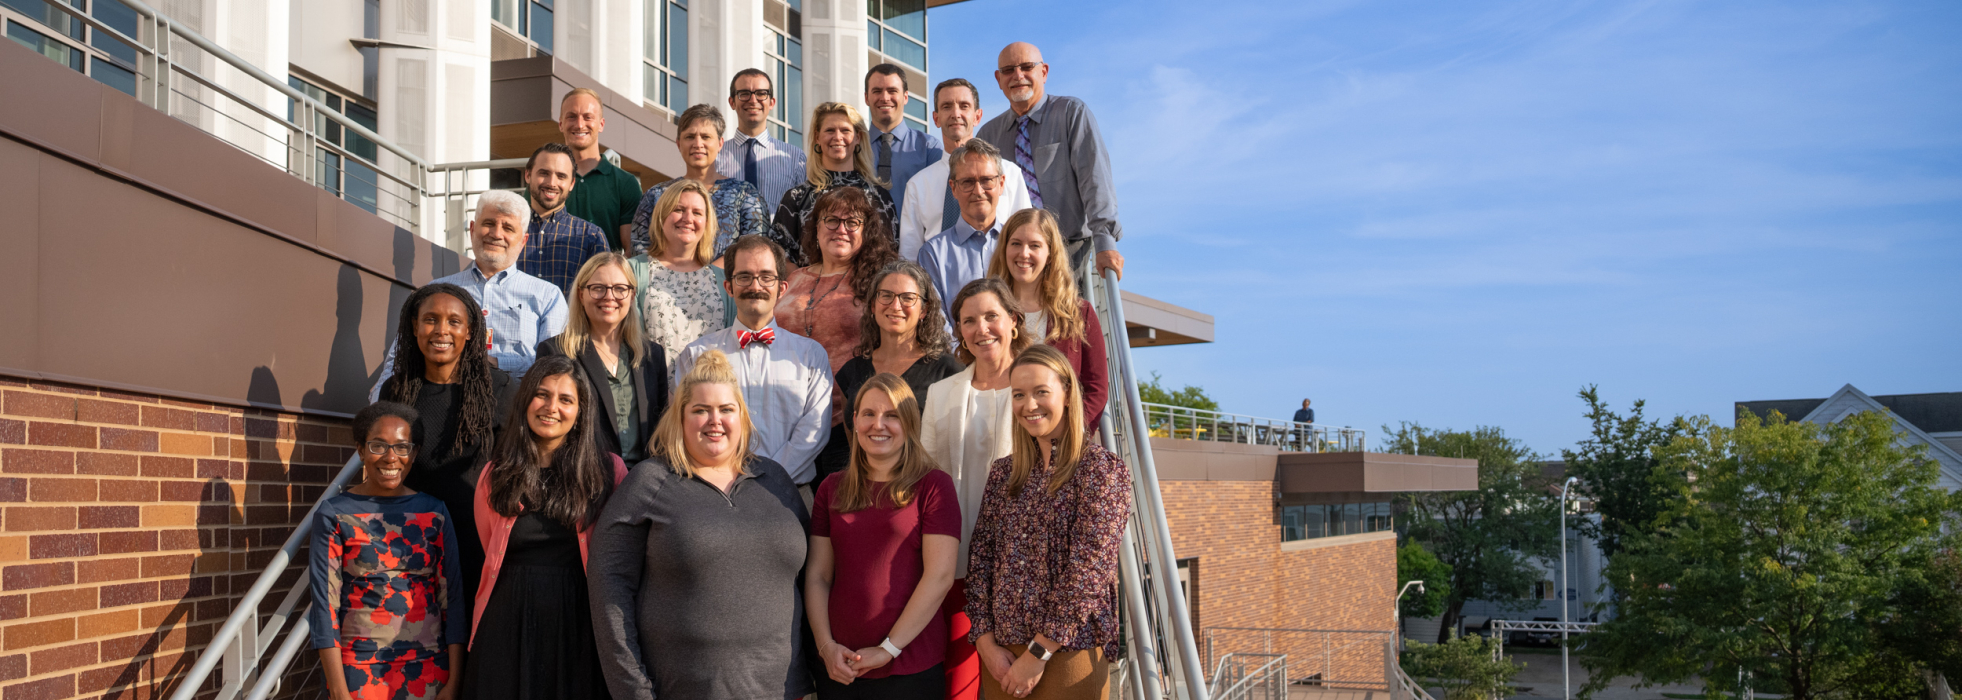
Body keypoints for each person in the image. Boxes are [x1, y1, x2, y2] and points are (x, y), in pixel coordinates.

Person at [589, 349, 814, 700]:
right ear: (680, 418)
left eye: (726, 409)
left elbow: (812, 580)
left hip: (783, 691)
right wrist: (633, 690)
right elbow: (609, 589)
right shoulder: (649, 482)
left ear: (742, 417)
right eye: (700, 410)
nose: (715, 420)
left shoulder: (776, 481)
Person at [966, 344, 1132, 700]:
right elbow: (980, 560)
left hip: (1068, 655)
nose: (1029, 405)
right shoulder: (1003, 474)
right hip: (1001, 659)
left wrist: (1037, 654)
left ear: (1067, 395)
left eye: (1041, 392)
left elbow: (1088, 572)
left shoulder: (1100, 470)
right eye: (1019, 394)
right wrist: (985, 643)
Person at [464, 356, 630, 699]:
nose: (551, 407)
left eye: (566, 399)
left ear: (581, 411)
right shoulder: (495, 474)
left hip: (579, 624)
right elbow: (488, 544)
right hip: (507, 622)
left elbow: (622, 554)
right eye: (542, 394)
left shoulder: (608, 473)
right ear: (526, 400)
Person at [806, 374, 960, 698]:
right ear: (855, 421)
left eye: (892, 415)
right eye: (868, 414)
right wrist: (825, 647)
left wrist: (888, 649)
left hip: (910, 667)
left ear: (909, 423)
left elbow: (940, 576)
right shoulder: (831, 488)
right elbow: (819, 576)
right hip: (840, 667)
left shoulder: (934, 486)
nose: (878, 425)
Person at [919, 278, 1034, 700]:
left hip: (1020, 565)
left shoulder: (1039, 389)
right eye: (969, 321)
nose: (981, 328)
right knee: (958, 682)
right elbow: (927, 476)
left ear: (1014, 321)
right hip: (956, 559)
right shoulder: (941, 393)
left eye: (991, 316)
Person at [308, 401, 467, 700]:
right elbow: (324, 607)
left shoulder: (435, 512)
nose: (391, 457)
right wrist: (338, 690)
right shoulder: (334, 514)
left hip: (429, 669)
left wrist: (454, 681)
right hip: (358, 671)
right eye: (378, 446)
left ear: (414, 453)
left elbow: (453, 600)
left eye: (402, 447)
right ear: (361, 450)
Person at [375, 284, 517, 602]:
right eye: (431, 319)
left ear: (470, 331)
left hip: (478, 544)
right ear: (415, 326)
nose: (442, 330)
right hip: (411, 541)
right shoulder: (396, 391)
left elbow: (515, 471)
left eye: (454, 321)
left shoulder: (501, 389)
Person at [369, 190, 569, 398]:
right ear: (472, 230)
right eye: (489, 223)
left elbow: (553, 366)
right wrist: (380, 405)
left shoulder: (547, 296)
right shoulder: (437, 291)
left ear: (523, 241)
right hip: (441, 403)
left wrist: (495, 362)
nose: (496, 234)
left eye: (508, 228)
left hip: (514, 407)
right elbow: (399, 358)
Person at [672, 235, 833, 491]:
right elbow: (684, 426)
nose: (755, 286)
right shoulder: (696, 355)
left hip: (790, 492)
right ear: (729, 287)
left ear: (782, 288)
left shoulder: (811, 356)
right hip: (715, 491)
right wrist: (726, 479)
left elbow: (814, 432)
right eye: (744, 277)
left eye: (766, 277)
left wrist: (768, 479)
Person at [774, 187, 900, 483]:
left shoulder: (879, 280)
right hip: (787, 419)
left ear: (866, 231)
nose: (841, 229)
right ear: (816, 228)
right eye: (831, 220)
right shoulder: (794, 278)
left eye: (852, 222)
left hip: (845, 423)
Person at [976, 42, 1125, 280]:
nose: (1018, 75)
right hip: (1013, 259)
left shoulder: (1071, 113)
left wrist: (1105, 241)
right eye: (1008, 70)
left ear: (1043, 72)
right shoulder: (988, 135)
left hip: (1070, 251)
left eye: (1027, 67)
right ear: (998, 79)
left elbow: (1095, 180)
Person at [538, 253, 670, 462]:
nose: (609, 296)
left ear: (632, 296)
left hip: (642, 476)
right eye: (598, 288)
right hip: (584, 475)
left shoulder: (652, 355)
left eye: (620, 288)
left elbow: (663, 426)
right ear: (581, 294)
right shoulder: (555, 351)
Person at [987, 208, 1107, 430]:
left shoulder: (1079, 313)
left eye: (1035, 245)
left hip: (1058, 439)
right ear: (1004, 249)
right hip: (997, 433)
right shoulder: (988, 311)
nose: (1024, 253)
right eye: (1016, 244)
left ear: (1050, 254)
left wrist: (1069, 434)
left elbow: (1096, 387)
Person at [899, 79, 1032, 261]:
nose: (956, 114)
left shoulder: (1009, 174)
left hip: (998, 276)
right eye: (947, 106)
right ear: (936, 118)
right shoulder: (918, 185)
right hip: (935, 277)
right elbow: (909, 256)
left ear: (977, 116)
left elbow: (1026, 236)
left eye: (964, 106)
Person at [834, 261, 963, 448]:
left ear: (924, 310)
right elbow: (855, 448)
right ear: (873, 305)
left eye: (908, 298)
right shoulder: (851, 372)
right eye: (886, 295)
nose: (895, 306)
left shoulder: (948, 371)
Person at [628, 104, 769, 259]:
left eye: (706, 137)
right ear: (678, 144)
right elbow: (639, 247)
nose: (697, 144)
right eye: (690, 137)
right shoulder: (656, 195)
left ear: (720, 143)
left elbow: (756, 246)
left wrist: (708, 272)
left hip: (728, 275)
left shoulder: (744, 194)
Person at [772, 102, 898, 264]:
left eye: (845, 130)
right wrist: (807, 280)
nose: (838, 137)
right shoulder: (796, 197)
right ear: (817, 137)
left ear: (858, 138)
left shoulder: (879, 197)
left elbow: (889, 255)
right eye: (830, 130)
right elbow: (780, 255)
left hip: (866, 280)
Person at [628, 179, 734, 367]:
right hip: (652, 384)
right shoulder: (633, 271)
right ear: (662, 216)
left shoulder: (723, 281)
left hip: (709, 385)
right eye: (679, 209)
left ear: (706, 223)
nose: (688, 218)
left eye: (697, 213)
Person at [918, 139, 1008, 321]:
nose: (978, 191)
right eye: (967, 182)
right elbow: (937, 323)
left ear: (1001, 184)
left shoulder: (1019, 247)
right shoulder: (933, 254)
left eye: (987, 180)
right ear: (953, 188)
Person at [517, 142, 613, 296]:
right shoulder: (507, 229)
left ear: (572, 183)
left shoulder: (591, 236)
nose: (552, 183)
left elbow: (602, 294)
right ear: (528, 176)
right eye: (544, 173)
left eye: (561, 176)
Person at [558, 87, 644, 252]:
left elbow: (632, 252)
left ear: (601, 124)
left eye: (588, 117)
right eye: (572, 116)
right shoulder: (545, 181)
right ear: (561, 124)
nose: (580, 124)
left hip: (604, 269)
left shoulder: (625, 183)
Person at [717, 68, 808, 219]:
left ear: (771, 103)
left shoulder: (795, 158)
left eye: (761, 94)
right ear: (732, 102)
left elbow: (803, 214)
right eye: (744, 93)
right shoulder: (715, 156)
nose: (753, 100)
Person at [863, 63, 942, 222]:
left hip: (914, 237)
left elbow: (939, 204)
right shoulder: (852, 148)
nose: (885, 98)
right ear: (866, 98)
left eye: (892, 91)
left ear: (905, 97)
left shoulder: (930, 148)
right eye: (877, 91)